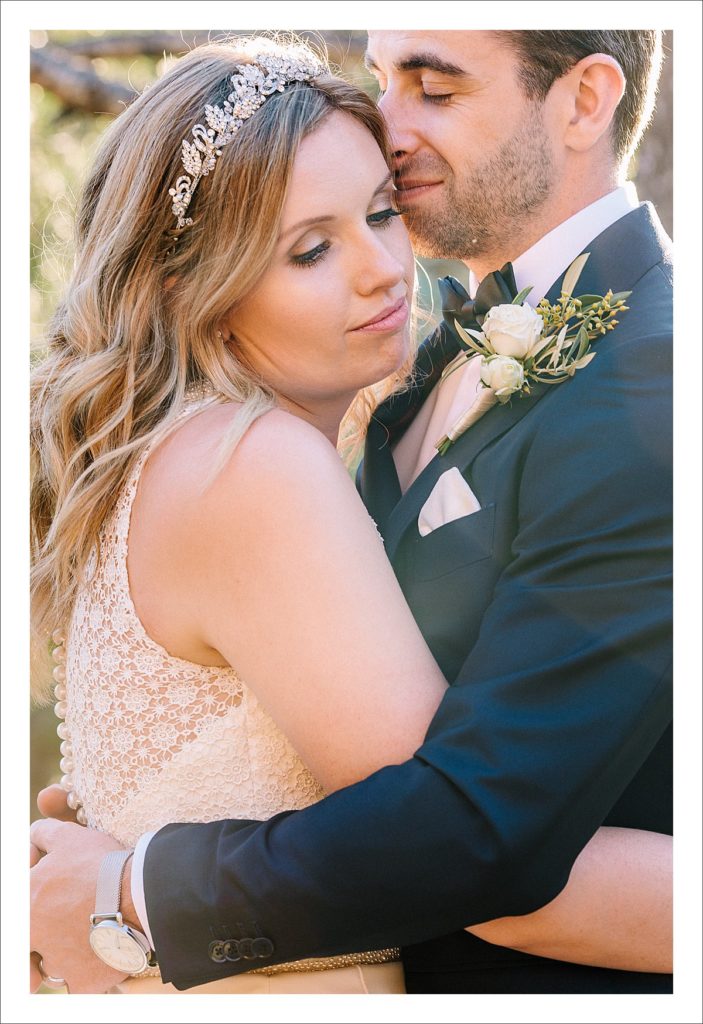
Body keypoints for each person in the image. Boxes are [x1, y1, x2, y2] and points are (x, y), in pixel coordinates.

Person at [30, 30, 672, 996]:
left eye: (434, 87)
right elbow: (463, 835)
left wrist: (136, 889)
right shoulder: (274, 453)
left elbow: (470, 836)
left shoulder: (647, 379)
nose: (394, 132)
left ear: (585, 102)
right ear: (188, 281)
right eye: (310, 247)